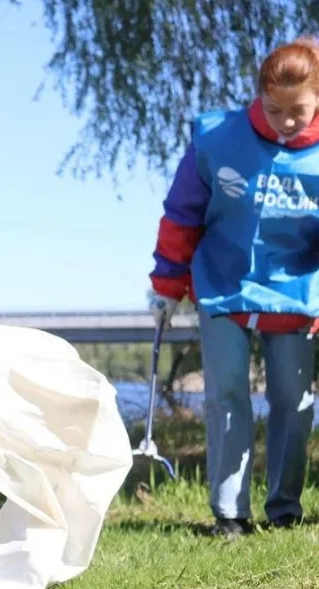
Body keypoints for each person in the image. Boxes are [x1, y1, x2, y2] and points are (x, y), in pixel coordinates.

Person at [149, 37, 319, 538]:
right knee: (226, 393)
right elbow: (182, 216)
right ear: (258, 96)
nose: (287, 121)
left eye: (300, 111)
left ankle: (284, 508)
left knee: (294, 400)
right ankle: (230, 514)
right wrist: (166, 283)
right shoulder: (216, 139)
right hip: (222, 285)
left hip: (294, 291)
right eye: (274, 109)